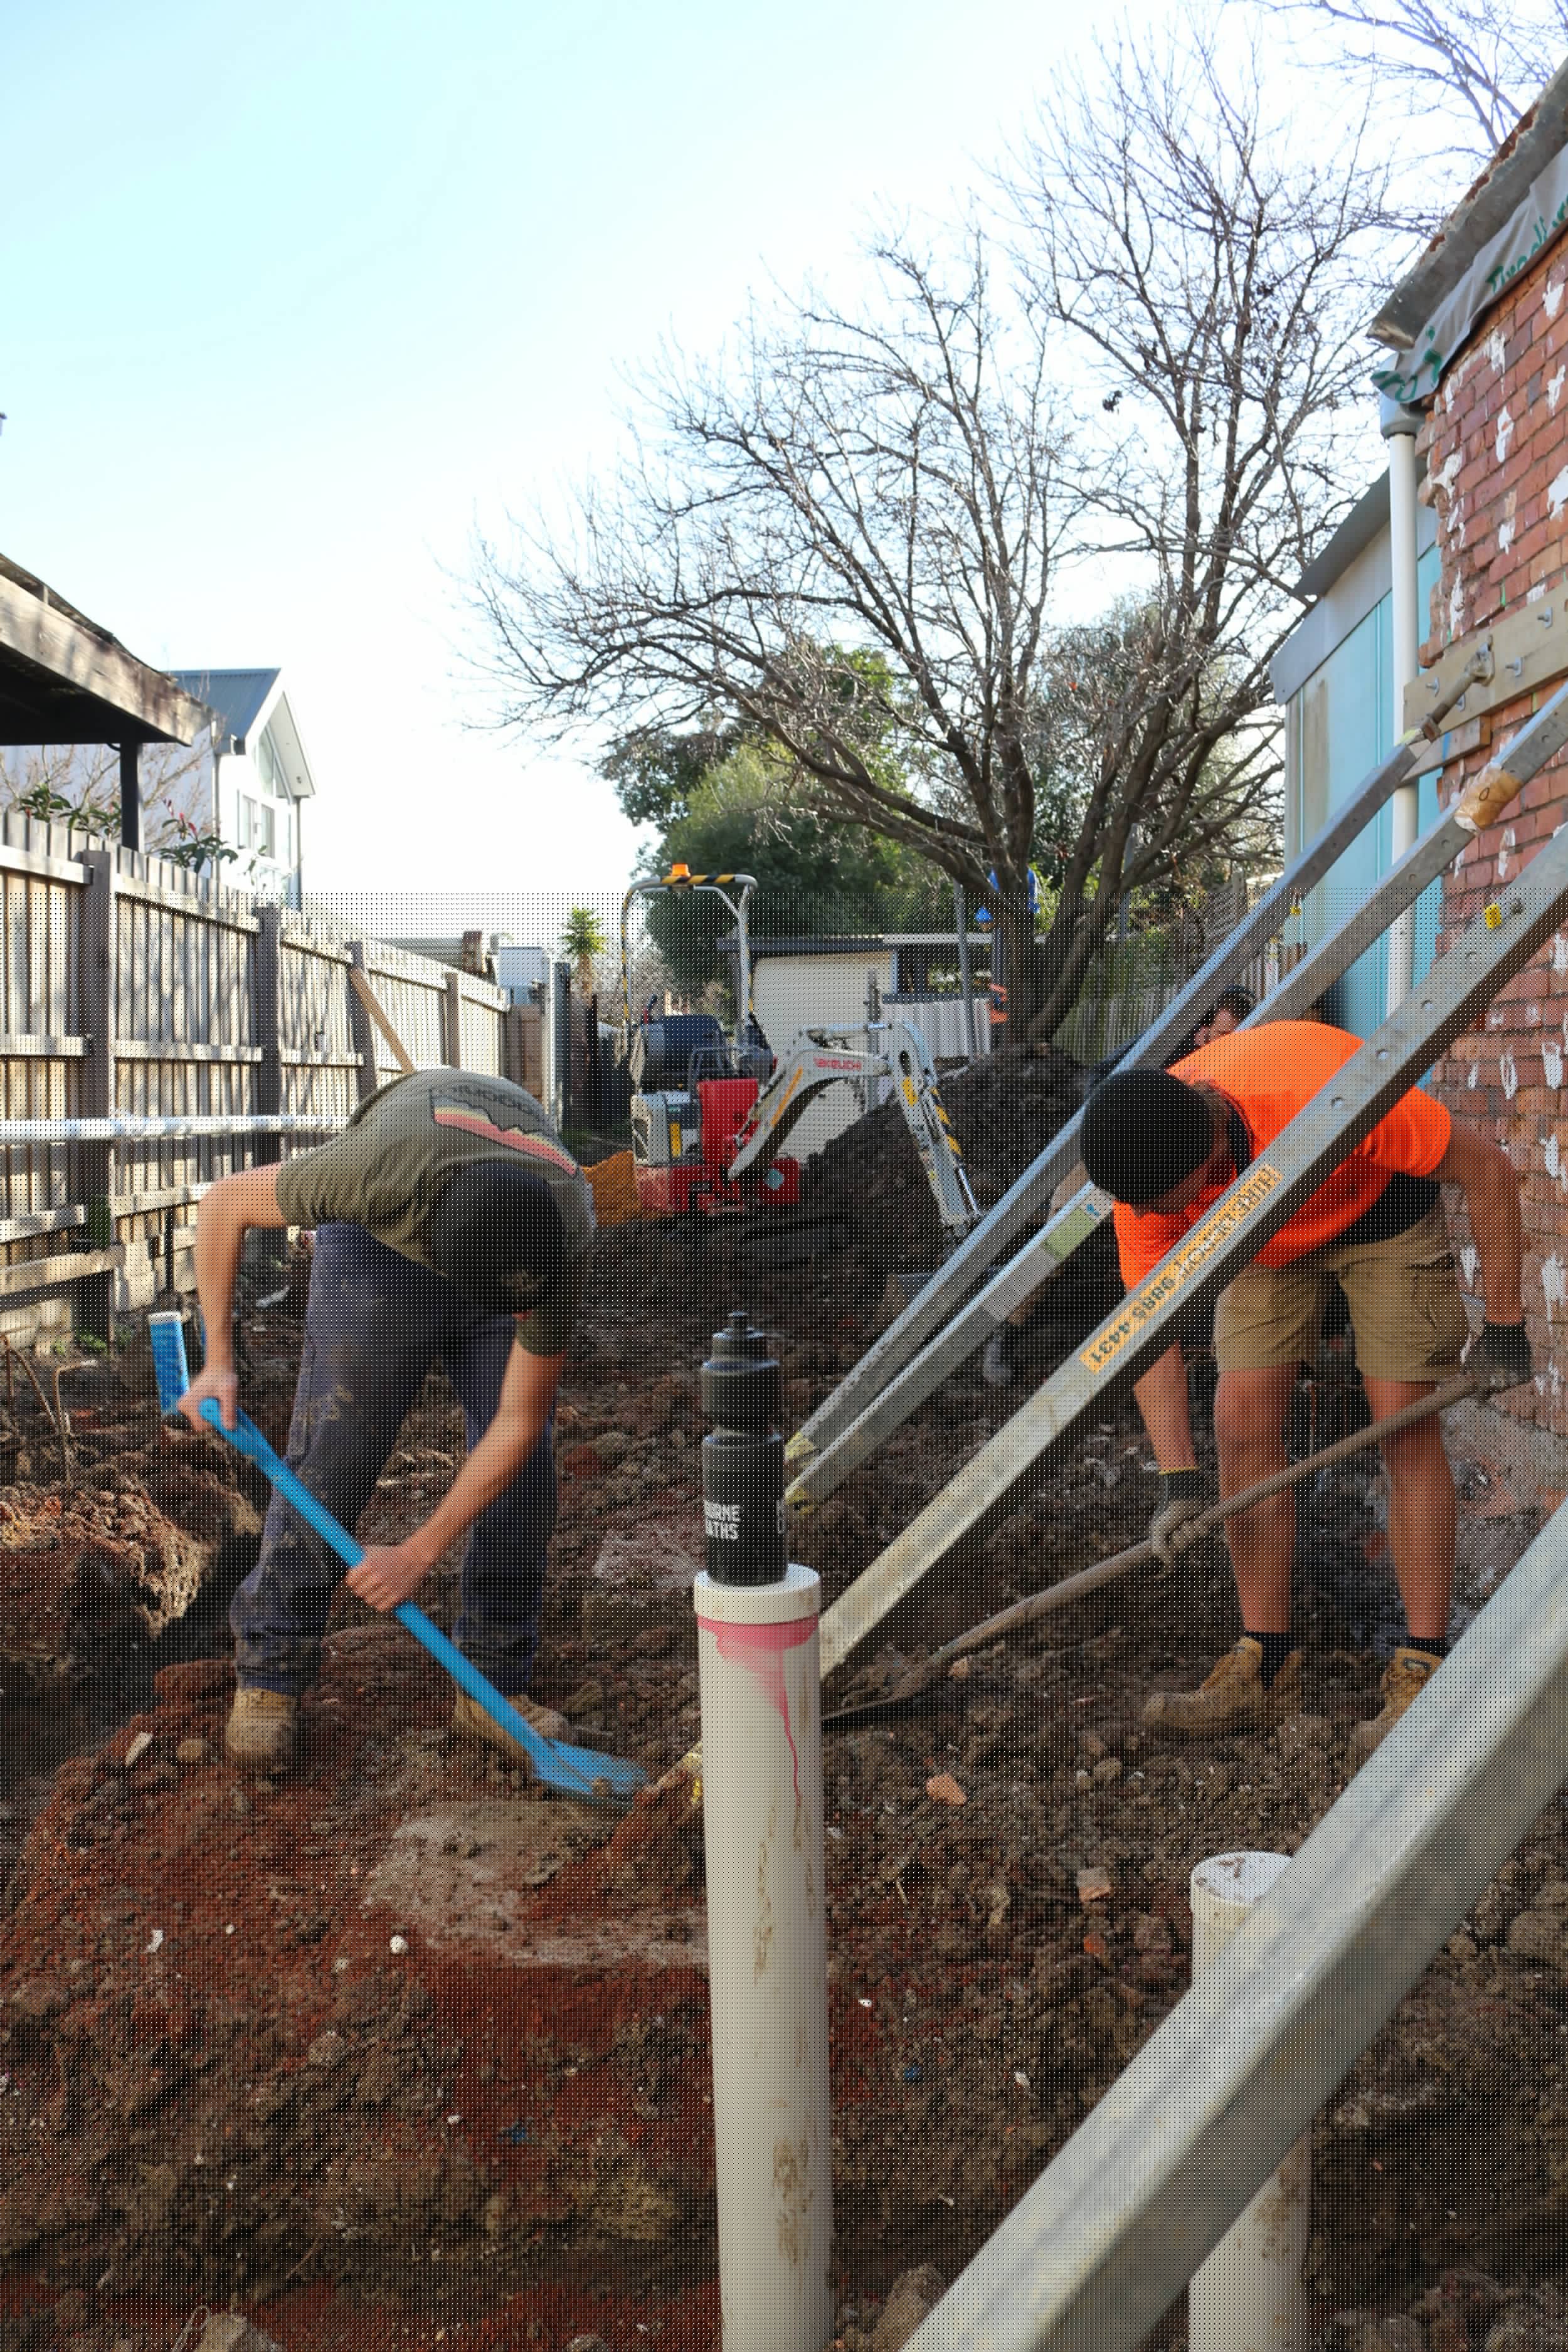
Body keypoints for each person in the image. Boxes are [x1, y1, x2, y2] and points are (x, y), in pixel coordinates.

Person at [1078, 1019, 1530, 1756]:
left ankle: (1420, 1665)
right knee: (1240, 1428)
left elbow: (1489, 1170)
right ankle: (1266, 1662)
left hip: (1377, 1209)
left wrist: (1506, 1326)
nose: (1159, 1218)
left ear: (1211, 1149)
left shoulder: (1333, 1094)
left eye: (1169, 1200)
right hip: (1260, 1238)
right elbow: (1149, 1328)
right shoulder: (1147, 1185)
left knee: (1401, 1424)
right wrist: (1176, 1477)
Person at [179, 1069, 596, 1774]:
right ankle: (270, 1674)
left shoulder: (563, 1230)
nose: (525, 1322)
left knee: (525, 1465)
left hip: (499, 1224)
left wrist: (419, 1551)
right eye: (513, 1309)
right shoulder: (373, 1174)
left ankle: (491, 1686)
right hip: (383, 1245)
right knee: (336, 1445)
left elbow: (517, 1423)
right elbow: (224, 1203)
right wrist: (218, 1360)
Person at [980, 987, 1258, 1389]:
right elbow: (1101, 1086)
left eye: (1234, 1036)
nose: (1226, 1043)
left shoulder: (1228, 1063)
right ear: (1203, 1028)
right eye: (1222, 1033)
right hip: (1119, 1156)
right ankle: (1008, 1324)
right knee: (1065, 1231)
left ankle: (1210, 1360)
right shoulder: (1162, 1047)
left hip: (1180, 1169)